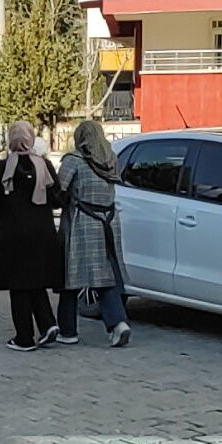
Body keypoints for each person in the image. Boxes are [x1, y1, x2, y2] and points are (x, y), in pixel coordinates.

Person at [0, 122, 63, 352]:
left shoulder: (4, 167)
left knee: (18, 284)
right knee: (35, 279)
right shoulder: (44, 165)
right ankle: (48, 324)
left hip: (14, 233)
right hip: (43, 232)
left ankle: (24, 337)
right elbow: (57, 199)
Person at [57, 120, 131, 348]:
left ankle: (68, 331)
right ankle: (118, 323)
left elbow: (59, 192)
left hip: (82, 221)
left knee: (71, 277)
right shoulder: (111, 160)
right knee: (105, 275)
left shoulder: (73, 161)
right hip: (108, 221)